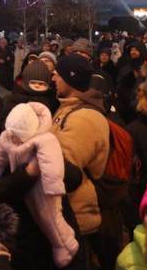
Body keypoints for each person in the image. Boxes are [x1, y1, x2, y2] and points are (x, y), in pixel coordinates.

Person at [0, 102, 78, 268]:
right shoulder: (5, 151)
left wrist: (53, 178)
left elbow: (73, 177)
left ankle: (66, 245)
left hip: (48, 220)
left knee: (55, 225)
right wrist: (28, 173)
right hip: (23, 238)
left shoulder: (46, 143)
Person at [51, 54, 110, 240]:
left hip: (76, 217)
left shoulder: (84, 118)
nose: (53, 78)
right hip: (65, 213)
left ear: (70, 78)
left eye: (58, 74)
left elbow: (63, 168)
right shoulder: (68, 108)